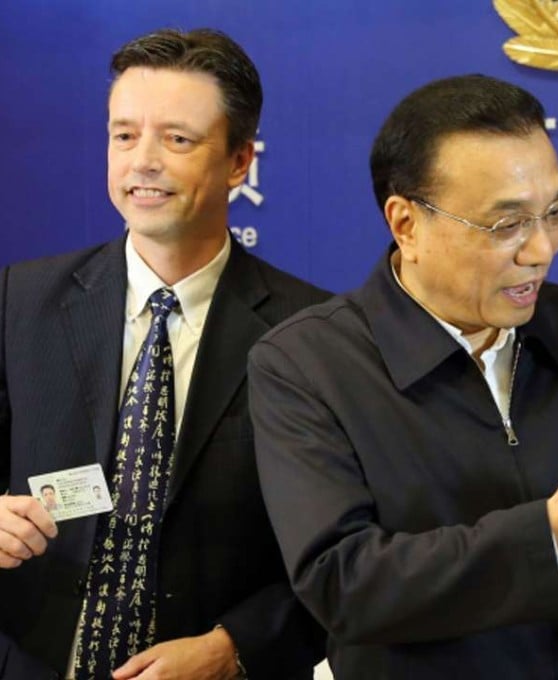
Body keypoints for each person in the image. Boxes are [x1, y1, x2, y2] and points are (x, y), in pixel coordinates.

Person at [250, 74, 558, 678]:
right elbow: (344, 581)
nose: (542, 248)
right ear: (406, 224)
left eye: (557, 211)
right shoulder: (307, 363)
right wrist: (550, 535)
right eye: (507, 224)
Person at [0, 29, 328, 679]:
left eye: (176, 139)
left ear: (239, 162)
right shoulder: (20, 300)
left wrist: (232, 649)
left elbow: (340, 554)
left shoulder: (310, 333)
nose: (142, 161)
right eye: (124, 135)